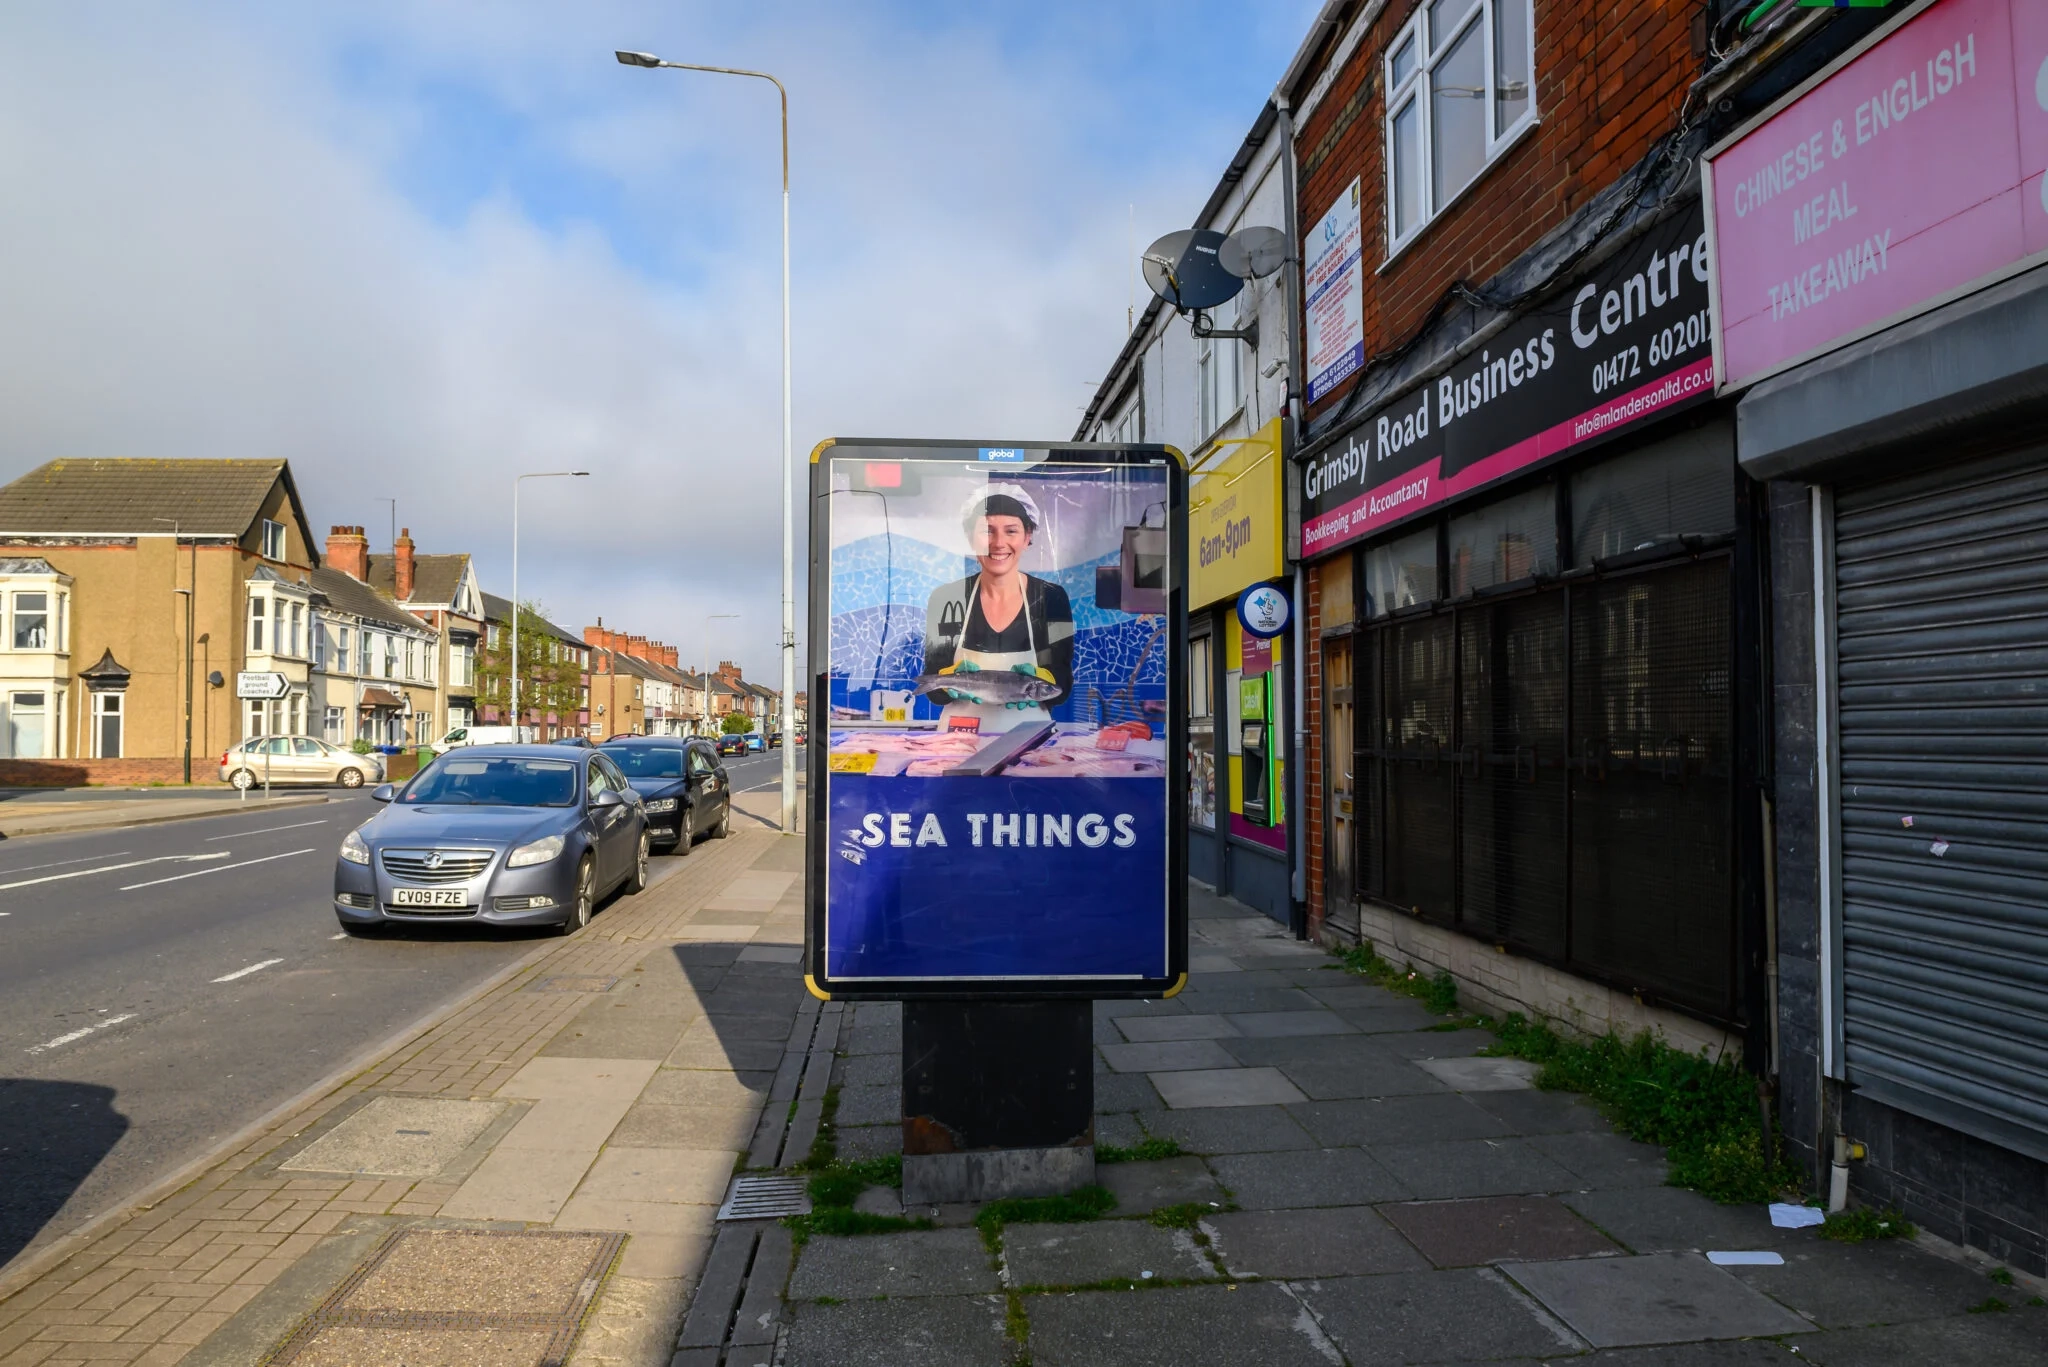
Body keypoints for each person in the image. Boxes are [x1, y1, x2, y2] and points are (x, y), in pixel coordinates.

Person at [922, 487, 1073, 733]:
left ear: (1027, 536)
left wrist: (1040, 679)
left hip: (1031, 741)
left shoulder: (1053, 599)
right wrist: (948, 679)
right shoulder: (946, 599)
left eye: (1011, 531)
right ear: (971, 537)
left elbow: (1063, 684)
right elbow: (933, 687)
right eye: (986, 531)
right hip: (958, 744)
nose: (998, 543)